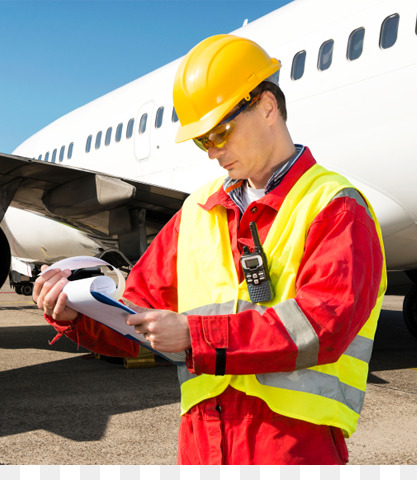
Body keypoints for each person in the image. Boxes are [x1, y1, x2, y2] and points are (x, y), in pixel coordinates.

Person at [33, 34, 386, 465]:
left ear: (268, 107)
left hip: (292, 446)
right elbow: (137, 319)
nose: (213, 151)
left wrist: (195, 335)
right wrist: (78, 315)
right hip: (203, 442)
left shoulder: (335, 206)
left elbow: (322, 327)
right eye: (202, 140)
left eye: (220, 131)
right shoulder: (197, 210)